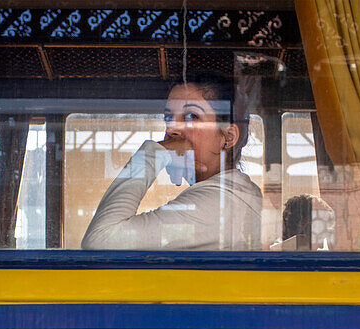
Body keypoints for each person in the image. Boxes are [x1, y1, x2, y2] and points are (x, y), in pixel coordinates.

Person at [81, 73, 263, 251]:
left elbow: (100, 239)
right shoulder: (231, 193)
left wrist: (152, 154)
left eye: (191, 116)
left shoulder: (219, 202)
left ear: (228, 137)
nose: (172, 129)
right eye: (168, 118)